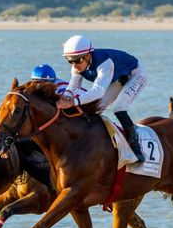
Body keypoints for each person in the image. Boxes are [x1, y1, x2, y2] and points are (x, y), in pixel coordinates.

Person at [57, 35, 147, 163]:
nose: (75, 65)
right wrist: (64, 98)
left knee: (119, 108)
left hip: (136, 75)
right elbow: (73, 86)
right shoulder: (78, 64)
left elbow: (98, 91)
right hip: (118, 78)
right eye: (70, 61)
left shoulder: (104, 63)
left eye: (78, 60)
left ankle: (135, 147)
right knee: (95, 109)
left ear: (88, 55)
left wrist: (74, 102)